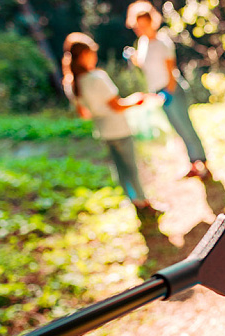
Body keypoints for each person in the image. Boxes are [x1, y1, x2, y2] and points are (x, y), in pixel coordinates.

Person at [62, 32, 156, 216]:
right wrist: (136, 100)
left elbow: (84, 114)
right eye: (92, 53)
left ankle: (134, 201)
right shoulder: (97, 78)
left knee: (121, 170)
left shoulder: (72, 83)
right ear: (84, 56)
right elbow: (117, 105)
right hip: (119, 129)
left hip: (103, 131)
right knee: (132, 168)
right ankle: (143, 202)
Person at [125, 1, 211, 180]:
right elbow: (145, 65)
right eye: (137, 26)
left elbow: (170, 71)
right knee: (178, 129)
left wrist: (168, 93)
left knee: (186, 127)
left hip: (171, 91)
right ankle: (193, 163)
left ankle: (204, 164)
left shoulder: (162, 42)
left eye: (143, 25)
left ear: (151, 22)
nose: (140, 29)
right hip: (158, 93)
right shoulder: (142, 43)